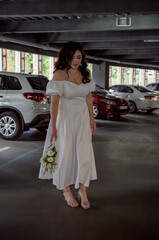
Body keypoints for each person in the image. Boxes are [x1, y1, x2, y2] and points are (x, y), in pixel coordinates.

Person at [39, 41, 97, 209]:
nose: (75, 61)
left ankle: (83, 189)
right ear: (65, 56)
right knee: (65, 152)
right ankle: (66, 189)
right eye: (72, 57)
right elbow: (54, 103)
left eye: (78, 57)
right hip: (64, 120)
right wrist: (54, 126)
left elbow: (88, 97)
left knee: (83, 152)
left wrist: (92, 119)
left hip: (82, 119)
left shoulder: (85, 73)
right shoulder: (60, 74)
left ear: (82, 58)